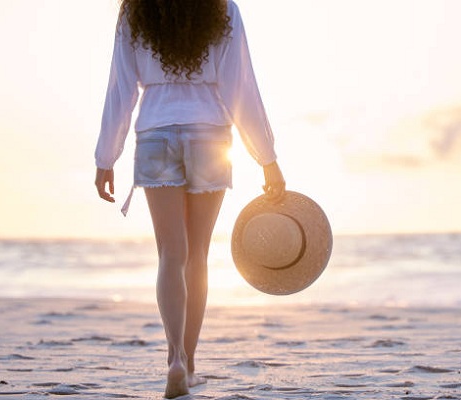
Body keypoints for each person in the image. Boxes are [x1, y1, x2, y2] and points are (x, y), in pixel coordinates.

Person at [93, 0, 285, 398]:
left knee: (171, 254)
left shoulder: (135, 11)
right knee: (197, 253)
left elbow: (120, 87)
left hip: (156, 134)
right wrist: (267, 158)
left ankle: (174, 358)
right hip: (210, 135)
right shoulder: (222, 7)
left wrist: (105, 156)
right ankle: (190, 364)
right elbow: (240, 87)